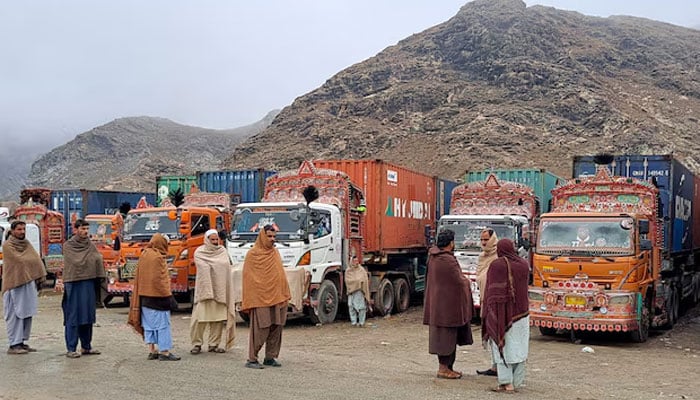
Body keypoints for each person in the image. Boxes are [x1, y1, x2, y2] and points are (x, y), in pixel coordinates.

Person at [423, 229, 474, 379]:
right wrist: (467, 282)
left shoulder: (433, 257)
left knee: (448, 337)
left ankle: (448, 368)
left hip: (439, 304)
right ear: (451, 243)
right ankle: (444, 369)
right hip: (447, 307)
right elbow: (458, 280)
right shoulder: (446, 259)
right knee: (446, 338)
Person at [482, 238, 530, 393]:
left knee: (502, 347)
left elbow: (491, 291)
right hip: (522, 315)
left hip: (502, 315)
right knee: (519, 348)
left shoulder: (497, 265)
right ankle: (517, 381)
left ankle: (505, 383)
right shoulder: (524, 264)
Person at [241, 225, 291, 369]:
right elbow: (249, 279)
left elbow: (279, 274)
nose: (272, 240)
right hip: (261, 298)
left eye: (274, 237)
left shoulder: (274, 253)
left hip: (278, 296)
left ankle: (270, 357)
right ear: (263, 236)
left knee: (277, 327)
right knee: (261, 328)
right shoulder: (253, 254)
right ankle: (252, 358)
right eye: (269, 236)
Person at [128, 233, 180, 361]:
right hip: (158, 298)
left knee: (149, 325)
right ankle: (165, 352)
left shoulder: (145, 254)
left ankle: (152, 350)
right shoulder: (158, 257)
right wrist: (168, 296)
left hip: (144, 297)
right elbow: (160, 280)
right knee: (163, 325)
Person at [61, 219, 105, 358]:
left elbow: (97, 258)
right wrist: (91, 262)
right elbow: (75, 262)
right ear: (76, 230)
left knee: (87, 315)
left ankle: (86, 346)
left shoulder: (90, 245)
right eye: (82, 229)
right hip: (74, 282)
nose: (85, 232)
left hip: (88, 282)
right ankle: (71, 348)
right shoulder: (68, 245)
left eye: (87, 229)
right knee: (73, 315)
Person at [2, 221, 46, 354]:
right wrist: (31, 263)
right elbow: (20, 261)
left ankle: (21, 341)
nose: (22, 232)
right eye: (19, 229)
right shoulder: (8, 246)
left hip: (28, 283)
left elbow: (36, 260)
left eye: (23, 229)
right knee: (15, 314)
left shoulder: (26, 244)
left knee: (26, 313)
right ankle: (13, 344)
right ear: (13, 231)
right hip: (14, 284)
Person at [190, 229, 236, 354]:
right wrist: (216, 268)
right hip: (205, 292)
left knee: (218, 320)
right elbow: (203, 268)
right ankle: (196, 344)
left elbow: (226, 267)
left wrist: (214, 268)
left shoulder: (222, 251)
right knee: (199, 319)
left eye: (217, 239)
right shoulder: (199, 252)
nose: (215, 242)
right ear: (207, 240)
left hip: (219, 290)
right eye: (213, 240)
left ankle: (213, 344)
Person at [476, 228, 499, 377]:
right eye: (482, 240)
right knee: (490, 334)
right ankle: (494, 365)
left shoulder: (498, 257)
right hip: (484, 299)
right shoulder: (482, 257)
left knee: (496, 333)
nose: (484, 243)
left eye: (486, 240)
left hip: (494, 302)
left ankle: (498, 367)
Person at [344, 253, 369, 327]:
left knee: (361, 307)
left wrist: (358, 283)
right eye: (354, 261)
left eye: (357, 261)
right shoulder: (348, 271)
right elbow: (348, 281)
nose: (356, 262)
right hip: (351, 291)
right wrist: (356, 282)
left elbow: (364, 280)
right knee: (351, 306)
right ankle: (354, 322)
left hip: (359, 291)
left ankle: (361, 322)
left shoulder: (361, 270)